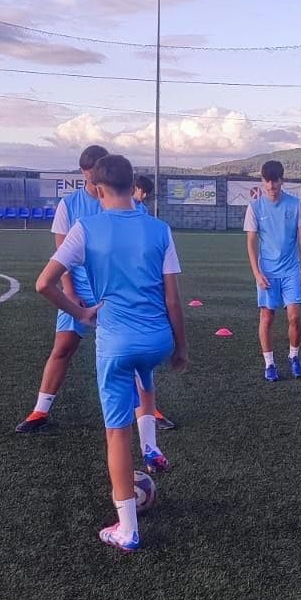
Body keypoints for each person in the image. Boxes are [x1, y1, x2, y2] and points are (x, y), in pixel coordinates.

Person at [35, 154, 188, 552]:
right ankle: (152, 445)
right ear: (134, 185)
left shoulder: (86, 227)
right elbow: (173, 299)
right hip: (158, 340)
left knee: (116, 433)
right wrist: (180, 348)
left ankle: (128, 530)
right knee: (144, 369)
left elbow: (44, 284)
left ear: (99, 188)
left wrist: (81, 312)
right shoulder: (159, 229)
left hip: (117, 343)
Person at [15, 144, 110, 433]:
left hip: (111, 293)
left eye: (97, 174)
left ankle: (149, 410)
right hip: (77, 292)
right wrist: (69, 291)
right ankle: (40, 412)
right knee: (62, 349)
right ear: (83, 173)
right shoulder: (69, 205)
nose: (93, 180)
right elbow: (61, 253)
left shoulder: (118, 202)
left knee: (125, 353)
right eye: (89, 175)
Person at [244, 159, 301, 381]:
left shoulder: (296, 205)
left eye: (275, 181)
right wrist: (257, 273)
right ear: (263, 181)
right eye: (267, 181)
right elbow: (251, 242)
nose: (271, 185)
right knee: (267, 316)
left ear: (282, 180)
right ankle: (270, 364)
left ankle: (294, 356)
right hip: (267, 271)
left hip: (291, 270)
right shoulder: (255, 207)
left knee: (294, 316)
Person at [132, 171, 177, 429]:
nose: (142, 196)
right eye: (141, 190)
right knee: (136, 360)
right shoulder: (134, 216)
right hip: (129, 298)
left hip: (136, 296)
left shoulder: (145, 217)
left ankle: (147, 412)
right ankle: (147, 414)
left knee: (135, 362)